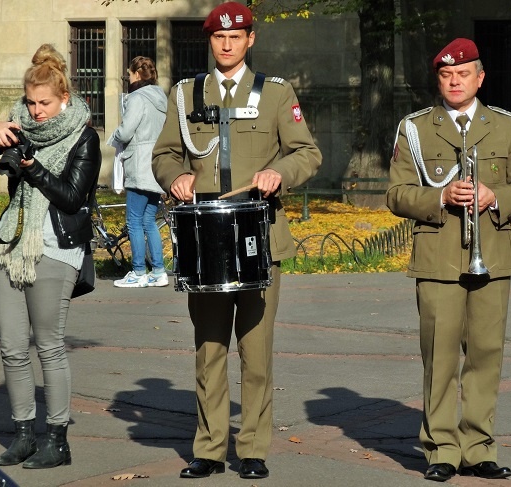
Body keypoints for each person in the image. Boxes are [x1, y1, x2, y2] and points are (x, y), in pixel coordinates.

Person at [152, 3, 321, 480]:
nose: (226, 45)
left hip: (259, 237)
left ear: (250, 40)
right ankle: (208, 449)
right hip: (205, 240)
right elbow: (164, 153)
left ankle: (252, 448)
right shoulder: (187, 94)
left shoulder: (275, 93)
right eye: (218, 38)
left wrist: (278, 172)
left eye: (236, 37)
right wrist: (176, 176)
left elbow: (307, 152)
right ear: (211, 42)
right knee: (209, 350)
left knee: (256, 349)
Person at [386, 38, 511, 482]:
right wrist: (439, 196)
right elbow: (396, 194)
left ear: (479, 78)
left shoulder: (505, 126)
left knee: (486, 354)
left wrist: (496, 195)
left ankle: (479, 447)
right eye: (446, 75)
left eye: (463, 74)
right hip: (437, 258)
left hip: (491, 255)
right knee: (439, 357)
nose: (454, 81)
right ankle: (442, 450)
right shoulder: (415, 128)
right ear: (438, 80)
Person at [0, 44, 101, 469]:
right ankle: (24, 435)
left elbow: (71, 197)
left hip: (56, 248)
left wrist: (32, 167)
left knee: (48, 345)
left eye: (44, 103)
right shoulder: (20, 123)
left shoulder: (84, 135)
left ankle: (58, 440)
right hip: (13, 247)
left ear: (63, 97)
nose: (37, 111)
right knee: (12, 348)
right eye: (30, 102)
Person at [109, 56, 169, 288]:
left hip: (138, 163)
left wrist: (113, 136)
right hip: (155, 164)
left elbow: (125, 132)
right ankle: (158, 271)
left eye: (129, 73)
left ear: (136, 74)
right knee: (148, 221)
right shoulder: (160, 98)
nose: (127, 76)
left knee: (134, 220)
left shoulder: (136, 98)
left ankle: (137, 271)